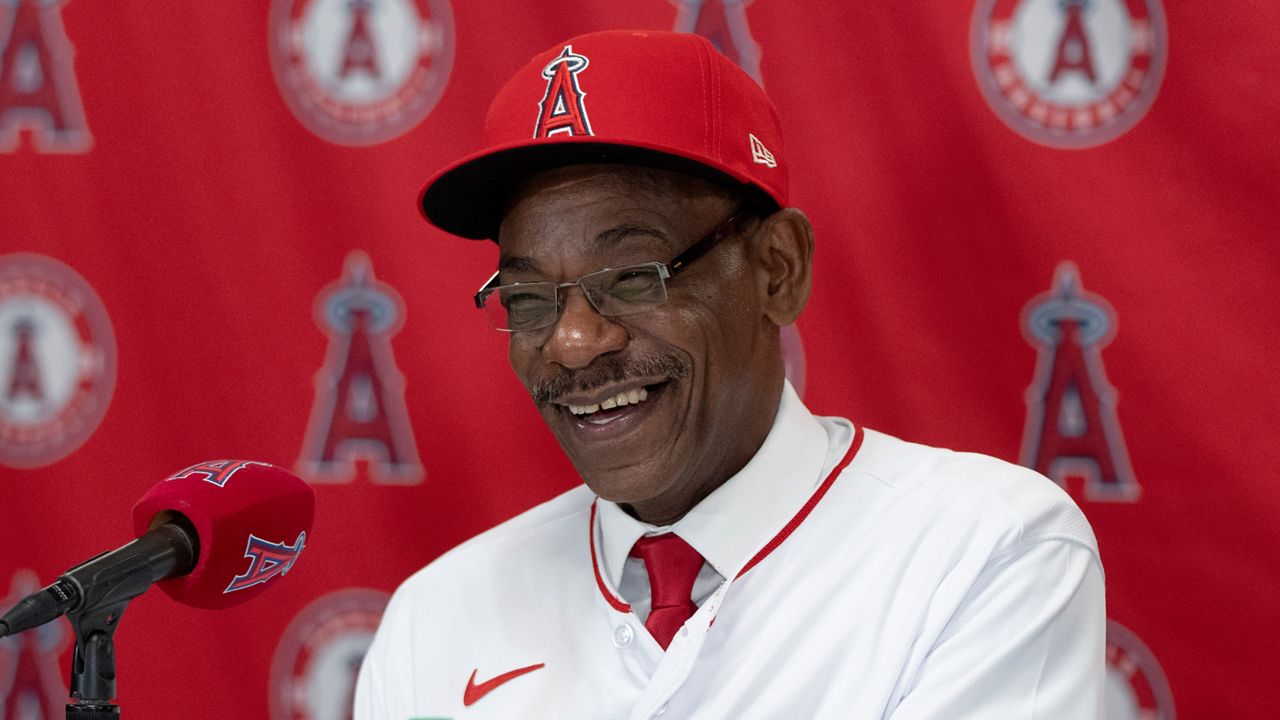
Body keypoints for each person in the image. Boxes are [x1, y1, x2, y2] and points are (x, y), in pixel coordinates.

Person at [355, 29, 1104, 720]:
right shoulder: (437, 615)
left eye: (632, 276)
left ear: (778, 269)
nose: (575, 343)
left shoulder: (980, 549)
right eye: (526, 298)